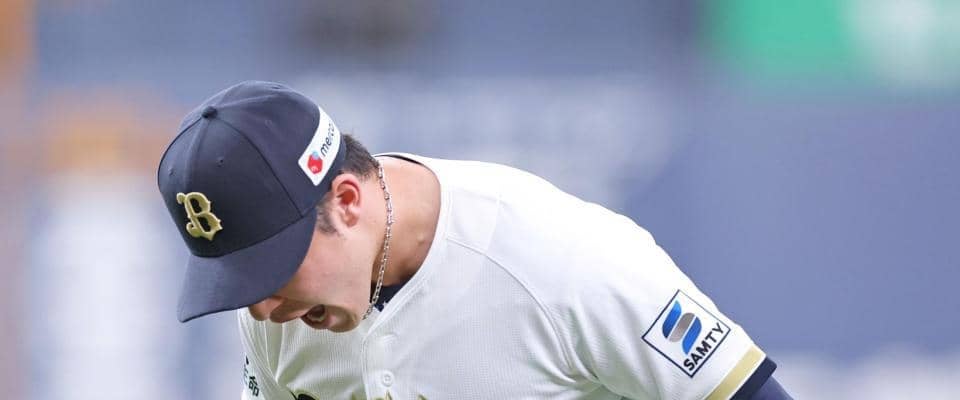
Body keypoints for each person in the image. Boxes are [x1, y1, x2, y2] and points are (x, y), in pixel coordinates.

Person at [157, 81, 792, 400]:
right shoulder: (280, 312)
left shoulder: (564, 260)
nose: (262, 308)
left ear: (346, 202)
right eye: (240, 275)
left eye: (272, 263)